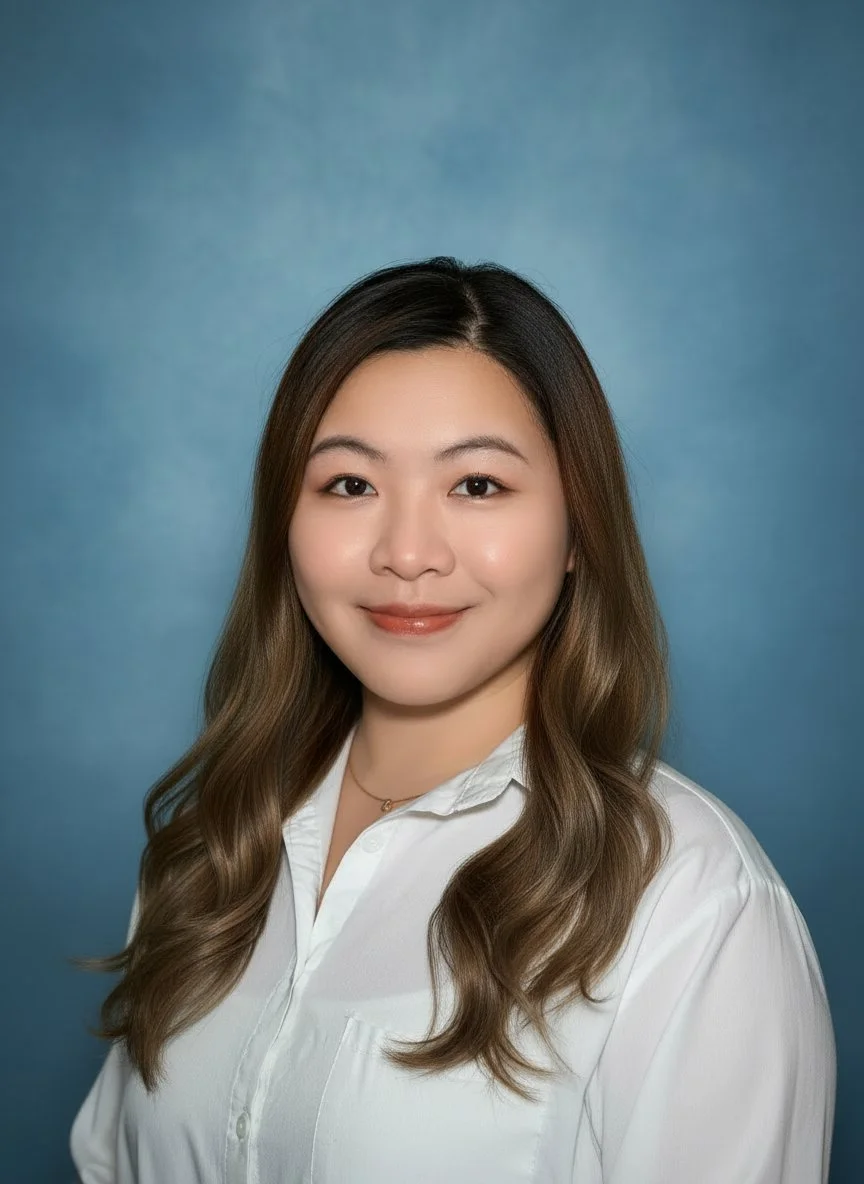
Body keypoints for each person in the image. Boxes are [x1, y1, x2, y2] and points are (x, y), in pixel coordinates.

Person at [70, 257, 836, 1183]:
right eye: (350, 485)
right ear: (284, 521)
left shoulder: (690, 900)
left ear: (578, 530)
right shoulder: (215, 844)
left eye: (476, 485)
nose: (407, 554)